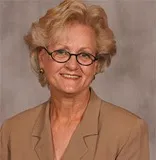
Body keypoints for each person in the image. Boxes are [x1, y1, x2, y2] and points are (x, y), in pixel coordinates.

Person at [0, 0, 149, 160]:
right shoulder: (13, 132)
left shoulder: (127, 131)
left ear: (96, 65)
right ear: (42, 58)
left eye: (84, 55)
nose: (72, 65)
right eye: (62, 52)